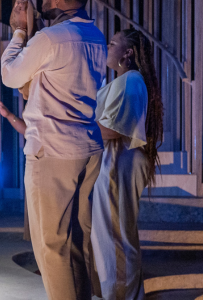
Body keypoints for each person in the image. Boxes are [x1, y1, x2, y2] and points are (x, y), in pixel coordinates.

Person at [2, 0, 106, 298]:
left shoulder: (51, 38)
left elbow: (10, 75)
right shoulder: (95, 35)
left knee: (51, 247)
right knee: (77, 244)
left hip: (52, 148)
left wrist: (20, 31)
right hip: (86, 147)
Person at [90, 29, 162, 300]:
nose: (107, 47)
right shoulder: (120, 82)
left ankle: (123, 296)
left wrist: (74, 126)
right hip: (112, 162)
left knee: (115, 235)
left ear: (128, 53)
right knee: (109, 235)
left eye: (112, 43)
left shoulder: (131, 80)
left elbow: (114, 130)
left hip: (118, 163)